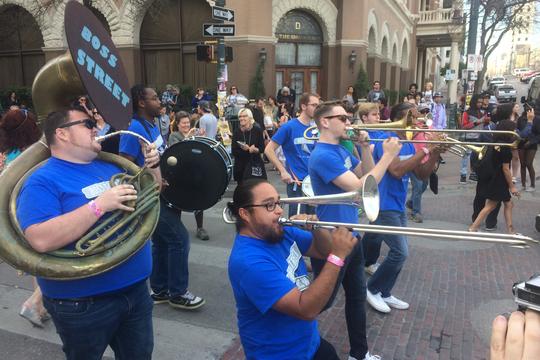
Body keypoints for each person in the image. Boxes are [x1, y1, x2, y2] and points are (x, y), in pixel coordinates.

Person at [17, 106, 160, 359]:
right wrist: (98, 206)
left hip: (136, 291)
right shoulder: (42, 180)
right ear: (62, 134)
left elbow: (152, 193)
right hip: (82, 303)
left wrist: (154, 166)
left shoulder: (109, 166)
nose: (97, 128)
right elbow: (40, 238)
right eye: (87, 124)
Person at [308, 101, 402, 360]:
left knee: (357, 297)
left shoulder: (339, 150)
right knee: (321, 301)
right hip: (332, 237)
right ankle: (290, 338)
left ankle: (360, 354)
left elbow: (366, 174)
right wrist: (389, 156)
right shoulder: (323, 155)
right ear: (325, 122)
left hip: (352, 234)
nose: (349, 122)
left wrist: (364, 149)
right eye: (343, 118)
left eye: (349, 118)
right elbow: (362, 190)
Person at [227, 179, 357, 360]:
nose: (280, 210)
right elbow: (306, 309)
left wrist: (316, 228)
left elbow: (322, 251)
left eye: (278, 202)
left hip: (309, 343)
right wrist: (337, 258)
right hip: (279, 354)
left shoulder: (279, 232)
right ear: (245, 214)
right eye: (269, 205)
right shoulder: (249, 262)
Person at [120, 85, 205, 310]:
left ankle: (159, 290)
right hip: (149, 197)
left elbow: (160, 156)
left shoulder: (152, 126)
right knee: (179, 239)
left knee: (161, 242)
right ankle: (178, 292)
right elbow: (124, 166)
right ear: (141, 102)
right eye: (155, 98)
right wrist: (149, 179)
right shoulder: (134, 129)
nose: (160, 102)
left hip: (163, 192)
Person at [362, 102, 445, 314]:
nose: (419, 122)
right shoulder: (387, 140)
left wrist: (435, 153)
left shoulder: (407, 144)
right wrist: (426, 148)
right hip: (383, 204)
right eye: (415, 117)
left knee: (401, 253)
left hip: (397, 205)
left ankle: (385, 291)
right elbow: (397, 171)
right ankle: (371, 289)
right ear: (403, 118)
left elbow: (421, 174)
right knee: (400, 253)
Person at [0, 109, 47, 327]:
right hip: (34, 210)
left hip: (14, 215)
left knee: (36, 262)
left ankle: (41, 306)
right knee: (49, 260)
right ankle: (33, 302)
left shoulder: (7, 153)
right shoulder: (33, 154)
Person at [264, 93, 320, 216]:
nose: (317, 108)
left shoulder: (317, 128)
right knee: (297, 221)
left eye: (318, 105)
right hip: (297, 182)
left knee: (315, 223)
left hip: (315, 182)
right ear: (304, 106)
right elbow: (269, 149)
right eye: (314, 105)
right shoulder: (289, 127)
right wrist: (282, 171)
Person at [469, 120, 519, 234]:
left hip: (497, 177)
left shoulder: (496, 143)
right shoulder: (505, 147)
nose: (515, 131)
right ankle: (473, 228)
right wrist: (512, 186)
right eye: (513, 129)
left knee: (508, 204)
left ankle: (511, 231)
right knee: (491, 205)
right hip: (500, 180)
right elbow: (506, 169)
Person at [232, 108, 267, 185]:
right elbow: (234, 151)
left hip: (254, 165)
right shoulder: (236, 132)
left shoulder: (257, 130)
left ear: (250, 117)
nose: (242, 118)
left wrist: (255, 150)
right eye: (240, 116)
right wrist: (245, 149)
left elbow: (262, 148)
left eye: (244, 116)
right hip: (241, 166)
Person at [461, 94, 487, 183]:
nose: (480, 104)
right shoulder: (466, 113)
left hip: (480, 137)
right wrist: (477, 122)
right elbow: (464, 126)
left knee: (477, 157)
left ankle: (474, 174)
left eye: (481, 102)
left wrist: (486, 122)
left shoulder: (483, 112)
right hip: (469, 137)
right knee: (466, 156)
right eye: (478, 102)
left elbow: (485, 125)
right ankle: (463, 175)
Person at [517, 107, 539, 192]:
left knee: (529, 163)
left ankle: (532, 185)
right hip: (521, 143)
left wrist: (531, 141)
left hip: (532, 144)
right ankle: (523, 184)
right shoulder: (521, 119)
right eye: (527, 110)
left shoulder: (537, 119)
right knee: (522, 164)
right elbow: (518, 130)